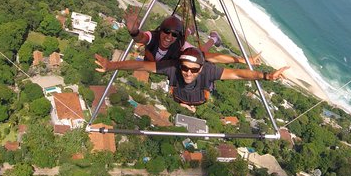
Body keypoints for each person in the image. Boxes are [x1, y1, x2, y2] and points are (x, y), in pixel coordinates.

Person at [95, 47, 287, 112]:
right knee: (202, 55)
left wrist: (267, 76)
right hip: (178, 96)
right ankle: (186, 105)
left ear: (201, 69)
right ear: (179, 65)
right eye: (184, 68)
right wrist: (111, 65)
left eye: (193, 70)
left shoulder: (208, 71)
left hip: (199, 98)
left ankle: (189, 105)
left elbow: (238, 73)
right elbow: (140, 65)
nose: (187, 73)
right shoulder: (172, 67)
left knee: (207, 54)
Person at [124, 7, 260, 65]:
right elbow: (141, 38)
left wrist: (244, 60)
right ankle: (190, 29)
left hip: (178, 47)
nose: (168, 36)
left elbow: (213, 58)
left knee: (200, 53)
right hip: (168, 53)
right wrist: (134, 32)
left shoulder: (178, 44)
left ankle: (213, 37)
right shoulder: (153, 37)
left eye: (173, 34)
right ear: (160, 30)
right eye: (166, 32)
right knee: (178, 38)